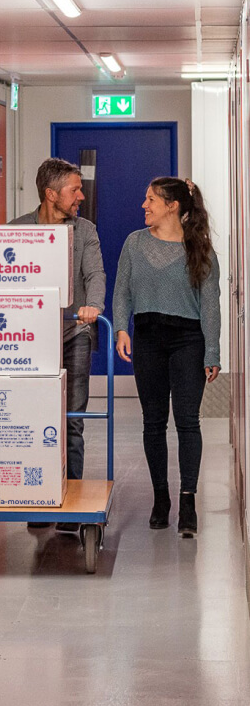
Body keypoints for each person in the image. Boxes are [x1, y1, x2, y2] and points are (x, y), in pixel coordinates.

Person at [113, 177, 221, 537]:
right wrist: (121, 328)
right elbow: (122, 291)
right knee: (153, 421)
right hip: (147, 338)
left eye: (151, 200)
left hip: (188, 340)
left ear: (172, 205)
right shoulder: (134, 243)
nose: (144, 206)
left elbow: (210, 308)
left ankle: (187, 500)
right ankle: (161, 498)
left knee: (187, 421)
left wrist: (212, 351)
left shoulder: (200, 249)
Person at [11, 158, 106, 530]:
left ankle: (73, 506)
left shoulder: (84, 230)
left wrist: (93, 306)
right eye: (74, 190)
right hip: (29, 340)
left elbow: (95, 273)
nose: (81, 196)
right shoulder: (17, 230)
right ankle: (39, 498)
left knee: (72, 421)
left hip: (73, 334)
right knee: (34, 420)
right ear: (51, 195)